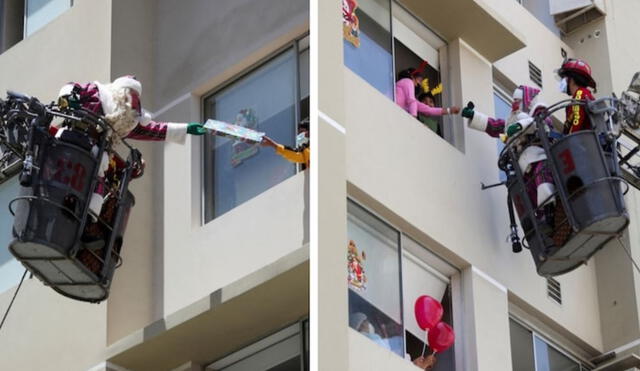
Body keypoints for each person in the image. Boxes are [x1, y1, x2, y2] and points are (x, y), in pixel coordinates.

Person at [55, 75, 207, 220]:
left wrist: (186, 128)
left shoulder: (127, 121)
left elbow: (155, 130)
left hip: (95, 159)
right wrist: (68, 98)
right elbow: (71, 87)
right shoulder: (96, 93)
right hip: (72, 143)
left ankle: (86, 221)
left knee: (97, 184)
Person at [461, 85, 557, 232]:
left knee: (542, 181)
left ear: (526, 100)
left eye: (517, 100)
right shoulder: (510, 121)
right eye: (514, 101)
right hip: (523, 164)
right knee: (528, 192)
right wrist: (473, 116)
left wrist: (520, 126)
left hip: (538, 155)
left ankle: (550, 212)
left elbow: (541, 124)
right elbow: (494, 126)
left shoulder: (538, 110)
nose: (514, 104)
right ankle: (538, 221)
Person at [395, 68, 459, 119]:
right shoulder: (407, 81)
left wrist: (449, 110)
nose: (420, 84)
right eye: (419, 80)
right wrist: (413, 120)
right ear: (412, 76)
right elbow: (411, 101)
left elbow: (428, 110)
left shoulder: (411, 98)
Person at [556, 58, 597, 134]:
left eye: (564, 77)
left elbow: (576, 127)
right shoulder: (579, 97)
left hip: (581, 143)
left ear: (572, 79)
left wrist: (569, 144)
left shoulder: (580, 94)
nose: (562, 81)